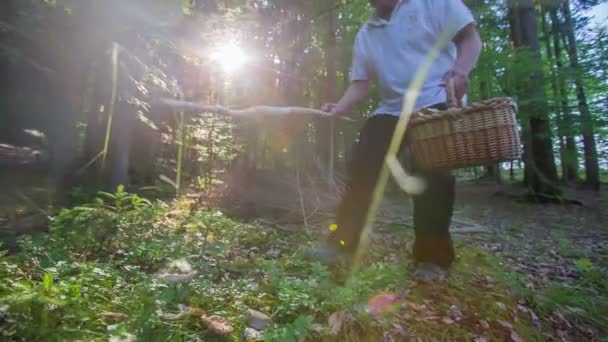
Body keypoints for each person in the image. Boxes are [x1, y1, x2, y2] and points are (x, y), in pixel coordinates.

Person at [318, 0, 482, 281]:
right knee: (361, 171)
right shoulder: (367, 33)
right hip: (390, 110)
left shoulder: (434, 4)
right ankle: (342, 246)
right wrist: (340, 107)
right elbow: (361, 83)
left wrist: (462, 70)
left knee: (433, 177)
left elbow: (470, 38)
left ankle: (432, 259)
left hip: (435, 102)